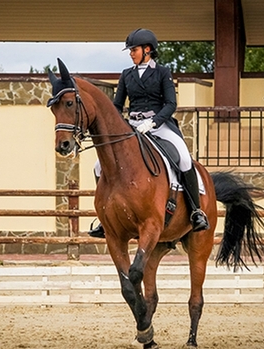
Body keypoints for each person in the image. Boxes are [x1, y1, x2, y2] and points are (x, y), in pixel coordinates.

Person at [88, 28, 209, 238]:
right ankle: (105, 216)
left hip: (159, 125)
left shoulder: (162, 73)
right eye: (130, 50)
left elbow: (171, 104)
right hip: (132, 127)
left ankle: (196, 211)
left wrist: (153, 122)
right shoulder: (126, 75)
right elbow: (117, 106)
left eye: (133, 50)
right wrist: (118, 126)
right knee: (99, 166)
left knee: (183, 158)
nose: (131, 53)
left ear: (147, 50)